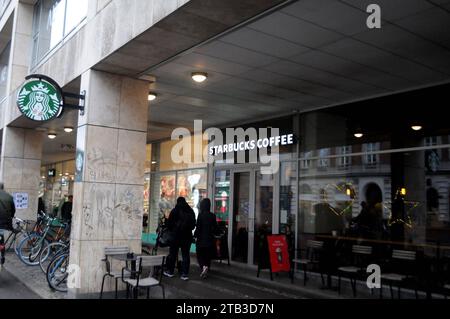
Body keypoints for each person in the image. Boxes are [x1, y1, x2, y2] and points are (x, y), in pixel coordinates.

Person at [164, 197, 196, 281]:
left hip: (176, 237)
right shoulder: (190, 211)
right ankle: (185, 274)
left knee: (173, 254)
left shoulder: (174, 211)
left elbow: (169, 225)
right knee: (186, 255)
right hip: (187, 237)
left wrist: (174, 229)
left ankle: (170, 271)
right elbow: (193, 225)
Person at [194, 198, 218, 279]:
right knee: (207, 255)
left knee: (200, 254)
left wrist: (195, 235)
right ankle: (206, 267)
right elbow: (215, 228)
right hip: (210, 240)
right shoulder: (212, 215)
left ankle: (204, 267)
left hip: (201, 239)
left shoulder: (201, 215)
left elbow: (198, 227)